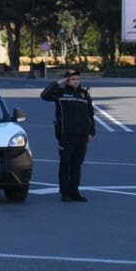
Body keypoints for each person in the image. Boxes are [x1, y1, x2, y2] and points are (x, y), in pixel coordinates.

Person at [40, 67, 95, 201]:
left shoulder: (84, 94)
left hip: (82, 135)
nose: (76, 81)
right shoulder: (60, 93)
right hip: (66, 135)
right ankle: (65, 193)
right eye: (72, 79)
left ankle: (74, 192)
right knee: (65, 164)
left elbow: (90, 114)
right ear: (67, 81)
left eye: (77, 79)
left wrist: (91, 132)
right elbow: (44, 95)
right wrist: (59, 82)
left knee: (77, 165)